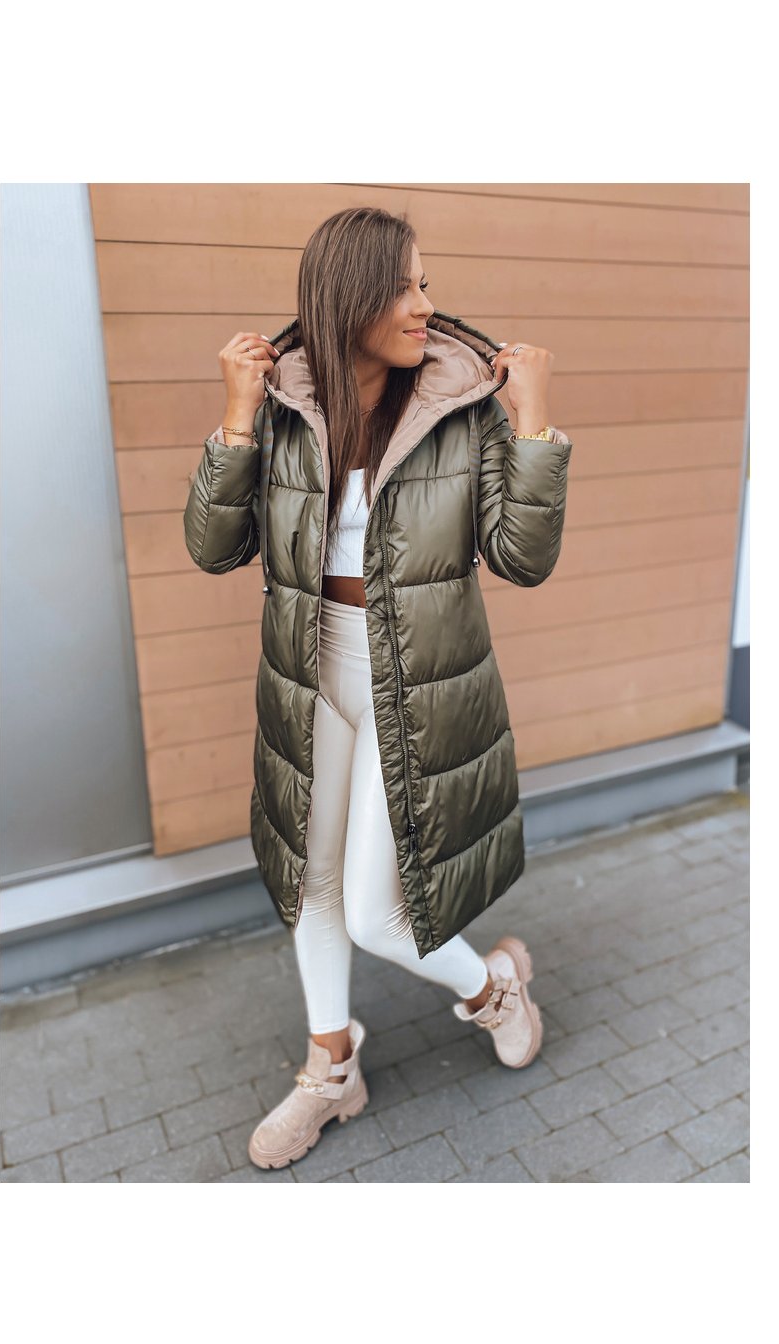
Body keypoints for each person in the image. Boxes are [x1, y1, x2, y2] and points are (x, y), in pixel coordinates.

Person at [184, 207, 573, 1171]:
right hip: (308, 671)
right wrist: (234, 419)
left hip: (417, 681)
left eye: (424, 284)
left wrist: (533, 424)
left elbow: (522, 559)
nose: (424, 305)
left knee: (373, 911)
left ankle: (493, 989)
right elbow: (215, 547)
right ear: (347, 296)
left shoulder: (461, 404)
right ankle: (332, 1070)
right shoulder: (282, 405)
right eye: (403, 286)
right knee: (310, 884)